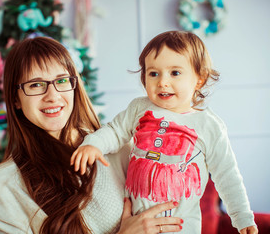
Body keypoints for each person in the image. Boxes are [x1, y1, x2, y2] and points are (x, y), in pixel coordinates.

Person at [0, 36, 183, 234]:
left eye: (61, 80)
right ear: (15, 99)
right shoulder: (3, 183)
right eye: (36, 85)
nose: (53, 96)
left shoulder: (117, 150)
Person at [71, 31, 258, 234]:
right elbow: (115, 131)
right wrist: (93, 144)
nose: (162, 82)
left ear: (199, 79)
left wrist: (242, 217)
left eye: (175, 73)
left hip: (181, 227)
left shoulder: (208, 125)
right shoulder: (139, 108)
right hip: (137, 223)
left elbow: (227, 175)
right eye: (153, 73)